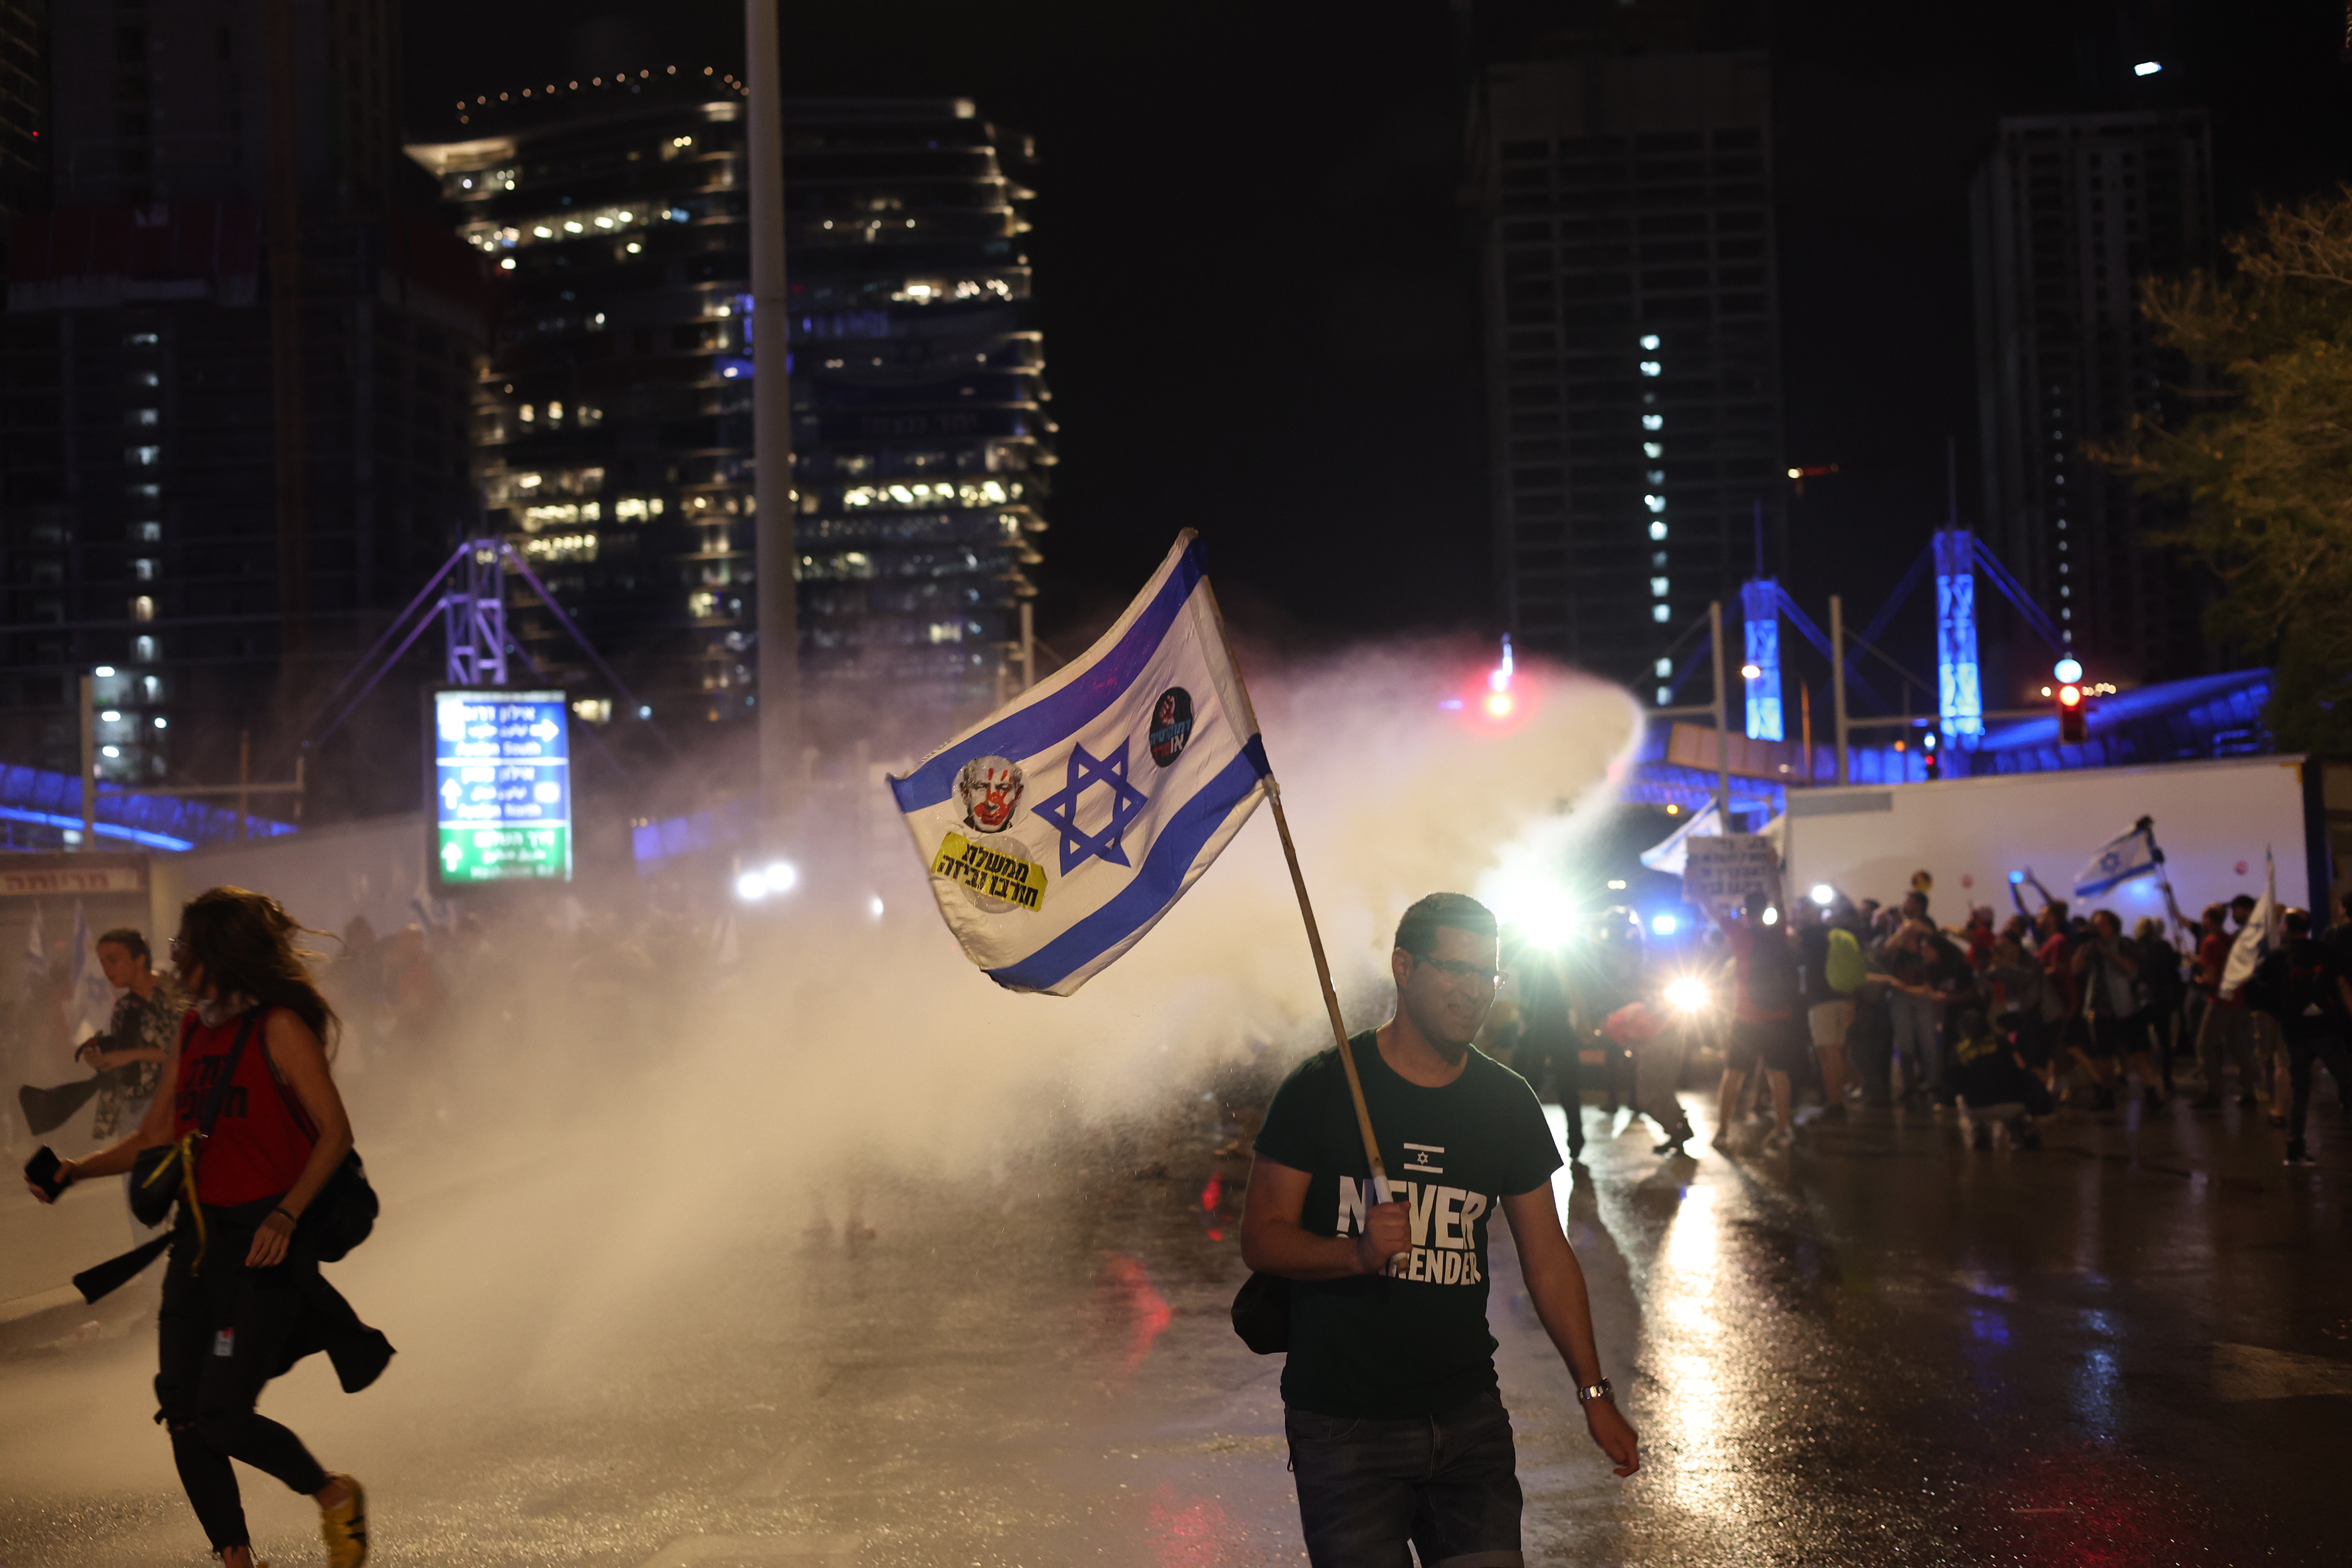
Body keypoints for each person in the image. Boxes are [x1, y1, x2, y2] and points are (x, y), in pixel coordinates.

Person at [1241, 893, 1638, 1566]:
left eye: (1488, 974)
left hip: (1468, 1418)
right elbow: (1263, 1237)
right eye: (1457, 970)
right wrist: (1356, 1254)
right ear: (1404, 966)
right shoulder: (1323, 1087)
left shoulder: (1506, 1102)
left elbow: (1548, 1259)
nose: (1475, 991)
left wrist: (1595, 1393)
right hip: (1343, 1426)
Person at [25, 887, 380, 1568]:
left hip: (265, 1247)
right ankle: (237, 1562)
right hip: (197, 1247)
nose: (176, 956)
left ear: (220, 950)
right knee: (183, 1414)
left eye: (184, 944)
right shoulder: (194, 1030)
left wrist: (288, 1212)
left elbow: (335, 1133)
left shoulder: (280, 1027)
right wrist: (73, 1171)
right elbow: (156, 1135)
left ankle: (333, 1494)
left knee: (222, 1414)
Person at [2245, 907, 2352, 1166]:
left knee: (2301, 1091)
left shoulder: (2278, 956)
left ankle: (2295, 1148)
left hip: (2296, 1032)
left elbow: (2259, 990)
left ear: (2288, 928)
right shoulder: (2325, 951)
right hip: (2327, 1028)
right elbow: (2342, 985)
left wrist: (2283, 1013)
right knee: (2348, 1080)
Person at [1706, 889, 1806, 1152]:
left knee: (1733, 1074)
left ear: (1747, 913)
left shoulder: (1740, 935)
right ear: (1767, 911)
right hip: (1778, 1017)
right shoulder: (1778, 933)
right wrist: (1774, 870)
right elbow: (1782, 905)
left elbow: (1712, 908)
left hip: (1746, 1017)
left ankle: (1723, 1130)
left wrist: (1697, 880)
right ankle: (1782, 1129)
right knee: (1778, 1075)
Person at [85, 927, 183, 1141]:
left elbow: (188, 1052)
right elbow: (122, 1054)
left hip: (175, 1104)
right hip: (133, 1105)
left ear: (139, 959)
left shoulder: (177, 995)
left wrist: (133, 1055)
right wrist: (101, 1058)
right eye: (103, 963)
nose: (108, 969)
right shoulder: (124, 1007)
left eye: (113, 960)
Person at [2073, 910, 2164, 1110]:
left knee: (2139, 1053)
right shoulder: (2091, 947)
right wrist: (2084, 945)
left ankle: (2151, 1092)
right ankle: (2107, 1096)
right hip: (2101, 1011)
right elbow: (2075, 970)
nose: (2098, 928)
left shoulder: (2124, 944)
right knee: (2105, 1056)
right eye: (2095, 924)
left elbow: (2132, 969)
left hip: (2126, 1008)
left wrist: (2107, 952)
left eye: (2101, 924)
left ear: (2113, 926)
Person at [1795, 898, 1862, 1122]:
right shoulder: (1832, 934)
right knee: (1836, 1053)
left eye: (1801, 910)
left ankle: (1835, 1104)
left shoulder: (1809, 935)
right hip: (1840, 998)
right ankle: (1837, 1100)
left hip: (1821, 1001)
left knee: (1828, 1054)